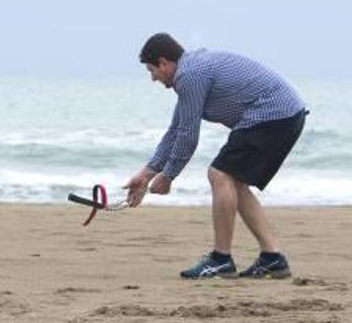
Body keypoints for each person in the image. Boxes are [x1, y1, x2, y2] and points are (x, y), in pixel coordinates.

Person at [124, 33, 307, 279]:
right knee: (233, 181)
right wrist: (146, 174)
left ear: (164, 62)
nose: (152, 78)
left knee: (219, 174)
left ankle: (221, 259)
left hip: (273, 114)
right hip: (285, 114)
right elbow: (176, 130)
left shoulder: (190, 76)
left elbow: (188, 136)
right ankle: (272, 258)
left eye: (151, 70)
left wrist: (168, 176)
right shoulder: (191, 72)